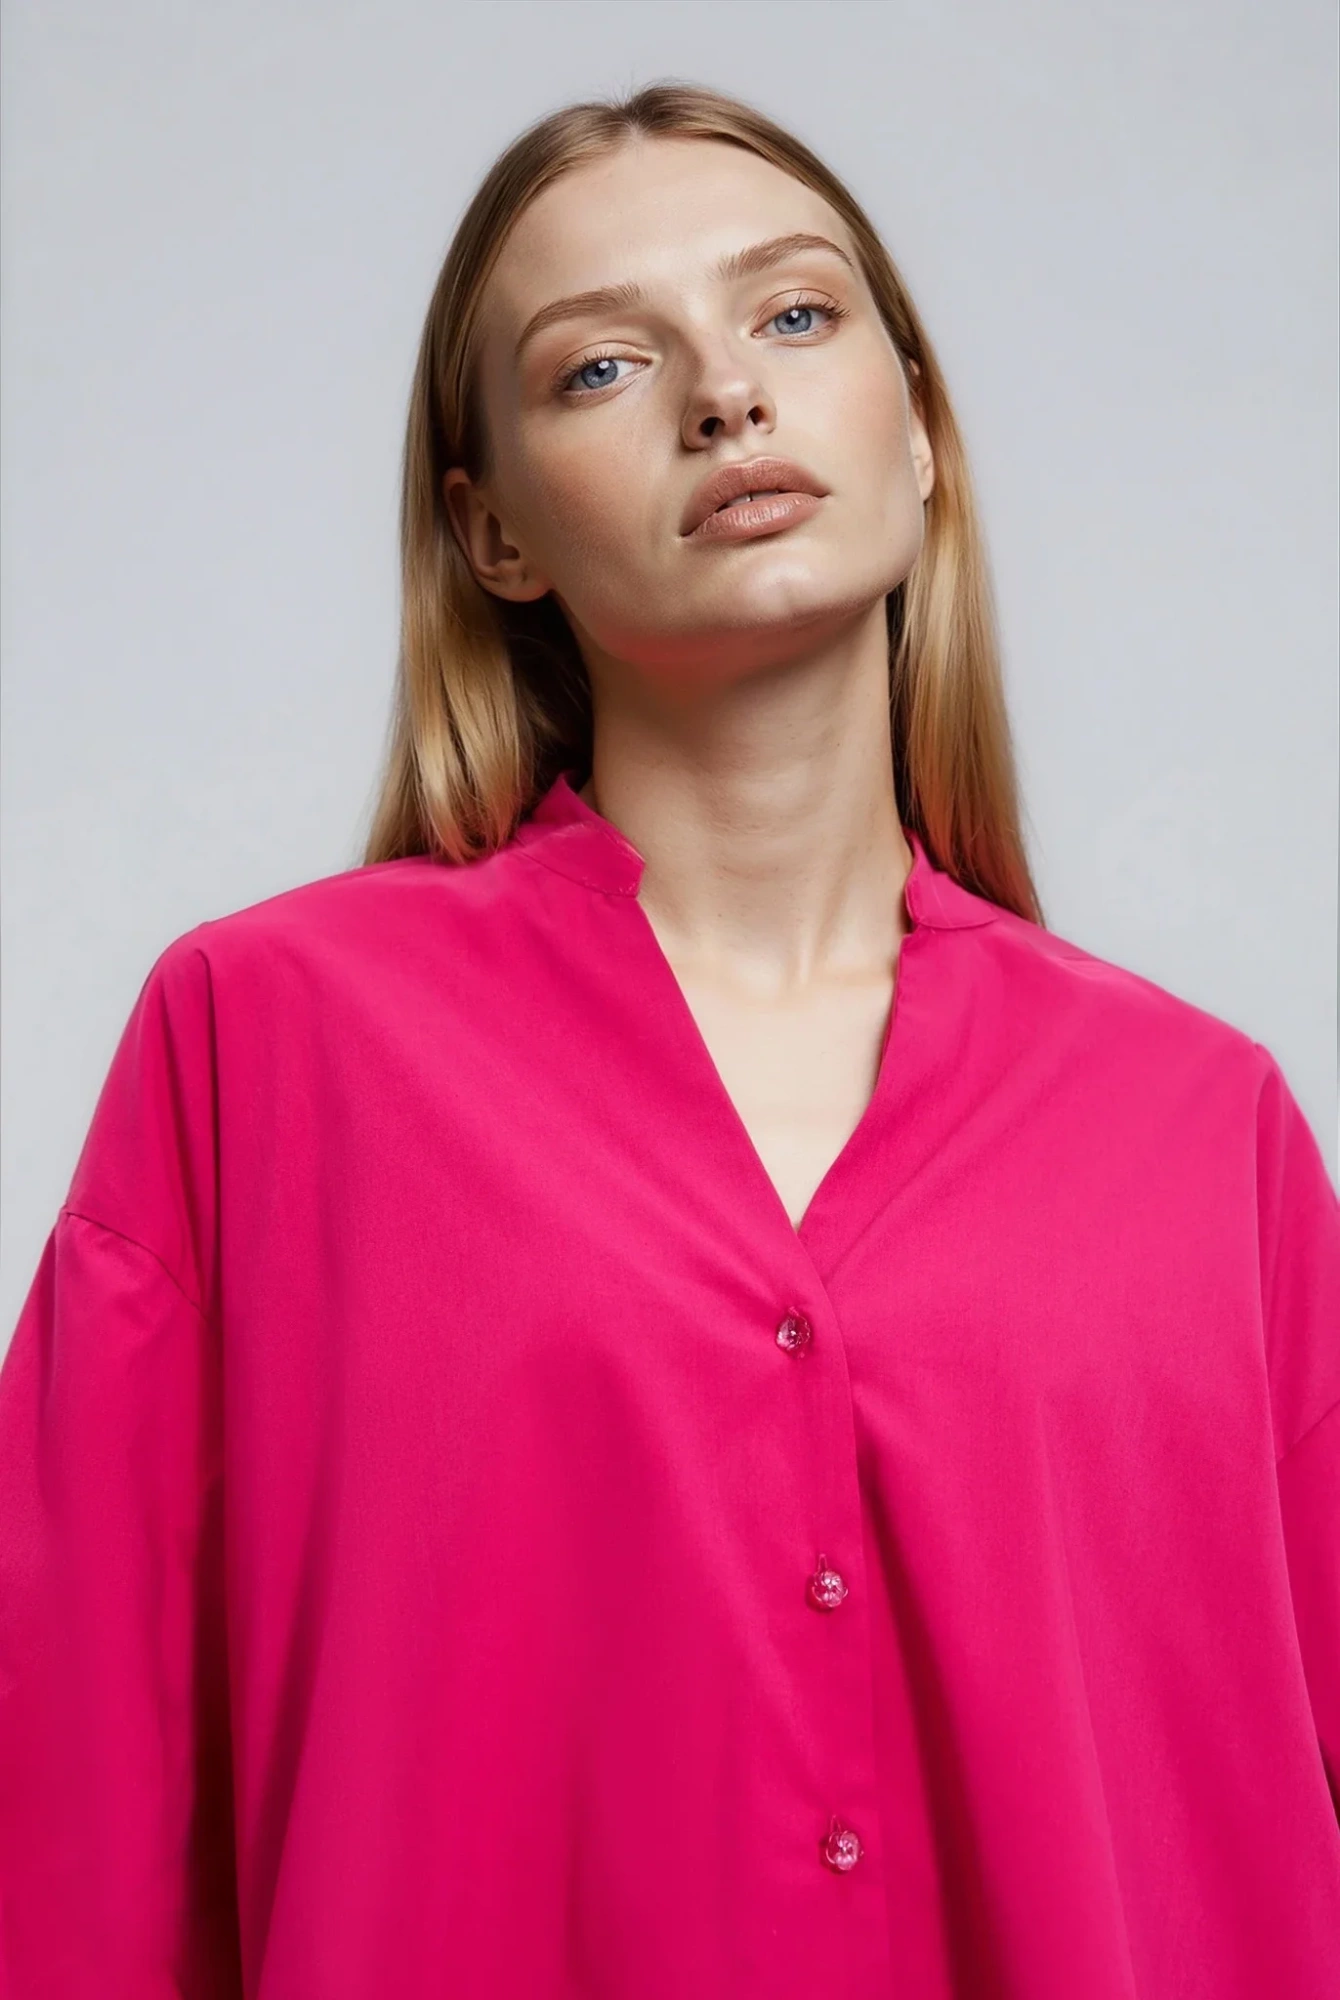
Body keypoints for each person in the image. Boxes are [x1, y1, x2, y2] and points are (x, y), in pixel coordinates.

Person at [1, 77, 1336, 2000]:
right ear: (495, 535)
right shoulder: (266, 1049)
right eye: (602, 367)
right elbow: (69, 1827)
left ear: (921, 431)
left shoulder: (1202, 1128)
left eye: (793, 314)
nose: (726, 394)